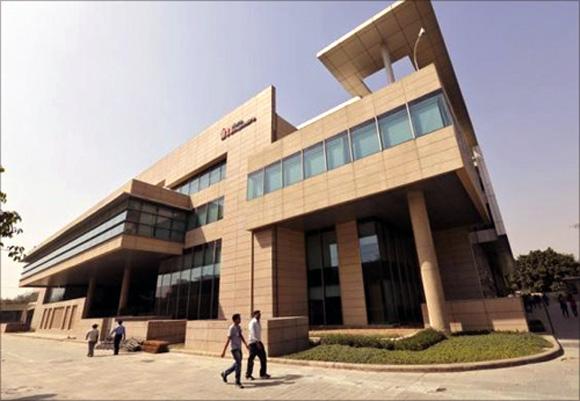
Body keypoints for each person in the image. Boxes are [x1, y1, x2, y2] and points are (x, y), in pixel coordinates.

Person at [220, 314, 249, 389]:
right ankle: (237, 381)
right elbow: (228, 339)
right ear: (235, 319)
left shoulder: (238, 327)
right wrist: (223, 351)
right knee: (239, 364)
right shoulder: (231, 328)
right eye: (239, 318)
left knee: (237, 364)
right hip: (234, 348)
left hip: (239, 348)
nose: (240, 320)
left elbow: (241, 336)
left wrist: (245, 344)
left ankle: (225, 373)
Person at [246, 310, 270, 380]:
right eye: (258, 314)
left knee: (263, 358)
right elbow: (252, 333)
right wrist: (257, 343)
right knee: (251, 359)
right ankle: (248, 375)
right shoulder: (252, 323)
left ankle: (263, 374)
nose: (260, 315)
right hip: (253, 343)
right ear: (255, 315)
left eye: (260, 314)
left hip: (258, 342)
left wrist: (259, 342)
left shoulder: (258, 322)